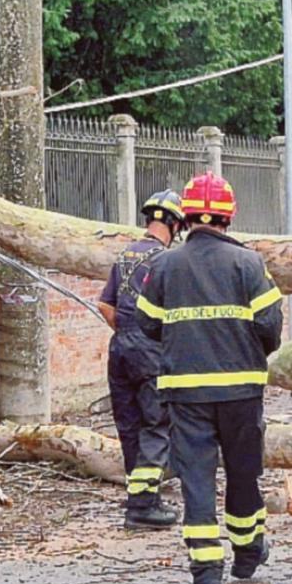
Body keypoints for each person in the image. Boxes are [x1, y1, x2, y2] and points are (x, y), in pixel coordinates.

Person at [136, 171, 283, 584]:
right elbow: (270, 326)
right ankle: (248, 551)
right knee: (243, 472)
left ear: (185, 217)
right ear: (227, 216)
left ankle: (205, 571)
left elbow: (146, 323)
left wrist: (183, 343)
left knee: (196, 478)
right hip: (241, 390)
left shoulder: (164, 264)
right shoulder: (249, 263)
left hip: (185, 391)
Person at [98, 189, 185, 530]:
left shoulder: (126, 254)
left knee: (130, 426)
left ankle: (138, 498)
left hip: (120, 348)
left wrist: (127, 332)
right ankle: (145, 505)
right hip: (151, 350)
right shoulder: (166, 261)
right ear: (175, 225)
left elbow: (105, 304)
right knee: (156, 425)